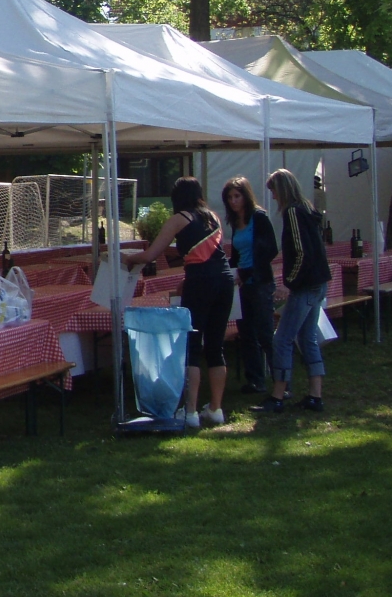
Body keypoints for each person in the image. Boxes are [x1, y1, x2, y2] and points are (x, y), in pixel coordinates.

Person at [124, 177, 234, 428]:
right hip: (225, 280)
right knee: (215, 346)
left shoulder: (178, 219)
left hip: (200, 283)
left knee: (192, 346)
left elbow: (151, 254)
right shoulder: (213, 217)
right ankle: (216, 408)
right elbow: (209, 254)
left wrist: (128, 259)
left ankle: (190, 411)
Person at [254, 168, 332, 413]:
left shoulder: (293, 212)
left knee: (282, 338)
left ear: (282, 190)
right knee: (307, 338)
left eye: (274, 191)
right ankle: (315, 395)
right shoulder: (307, 209)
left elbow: (301, 252)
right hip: (319, 282)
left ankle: (278, 395)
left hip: (305, 285)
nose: (274, 197)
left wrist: (289, 283)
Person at [223, 176, 278, 395]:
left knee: (265, 333)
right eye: (229, 197)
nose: (233, 201)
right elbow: (237, 254)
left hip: (260, 282)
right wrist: (230, 270)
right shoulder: (235, 222)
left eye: (237, 196)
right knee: (246, 334)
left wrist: (248, 272)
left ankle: (282, 382)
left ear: (246, 196)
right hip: (242, 284)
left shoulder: (259, 217)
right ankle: (256, 381)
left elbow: (270, 250)